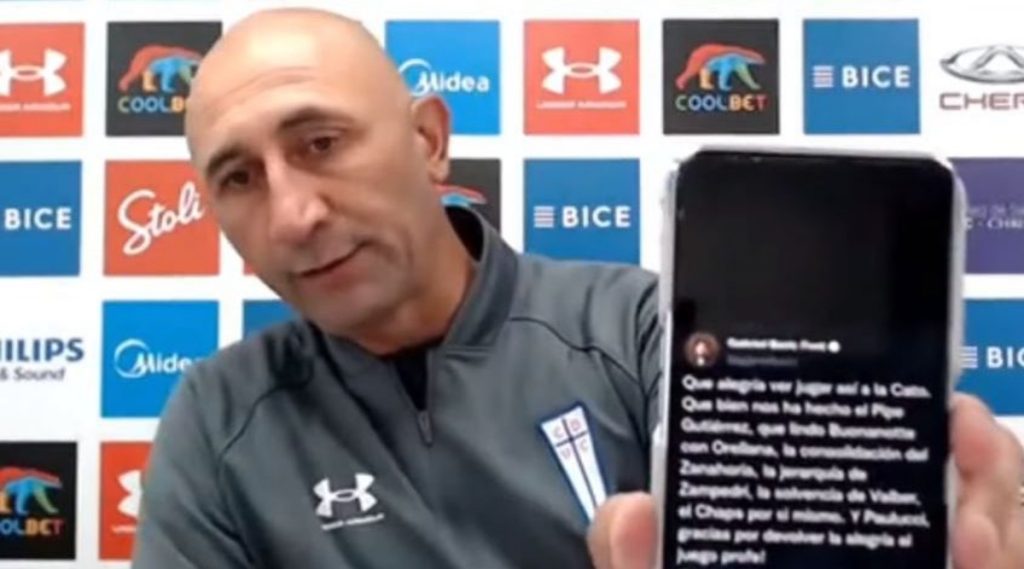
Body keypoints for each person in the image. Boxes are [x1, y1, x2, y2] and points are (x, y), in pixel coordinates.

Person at [132, 7, 1024, 569]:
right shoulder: (219, 418)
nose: (293, 214)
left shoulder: (641, 331)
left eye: (322, 143)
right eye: (239, 178)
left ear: (429, 141)